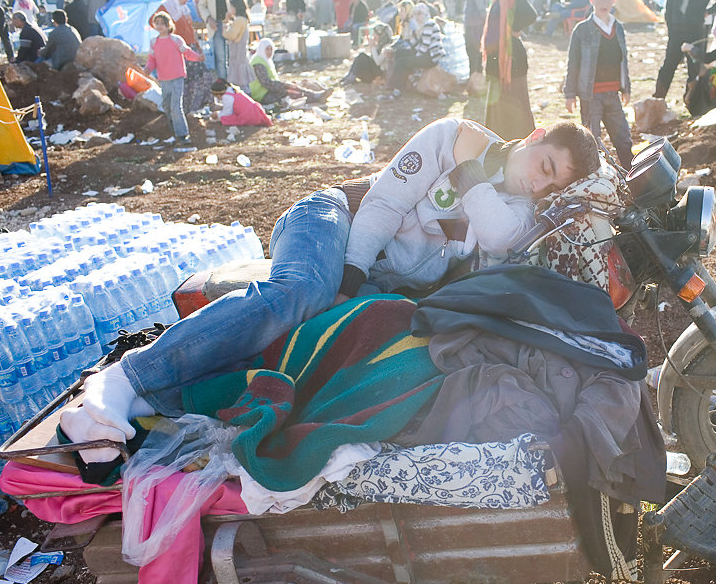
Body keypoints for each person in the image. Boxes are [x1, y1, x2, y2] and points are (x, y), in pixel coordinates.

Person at [58, 119, 601, 467]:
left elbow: (501, 240)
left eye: (554, 184)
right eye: (545, 165)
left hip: (378, 277)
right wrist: (349, 284)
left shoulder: (511, 206)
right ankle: (122, 378)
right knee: (305, 294)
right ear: (531, 139)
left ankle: (147, 405)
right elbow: (383, 208)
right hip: (338, 224)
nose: (540, 183)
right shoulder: (454, 135)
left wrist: (474, 179)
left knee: (317, 350)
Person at [564, 0, 632, 168]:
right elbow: (573, 64)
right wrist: (569, 94)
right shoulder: (582, 29)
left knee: (623, 139)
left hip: (613, 93)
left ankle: (632, 178)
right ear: (591, 0)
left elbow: (623, 60)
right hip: (590, 95)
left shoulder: (618, 28)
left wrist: (626, 88)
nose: (604, 2)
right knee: (592, 141)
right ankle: (596, 178)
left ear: (614, 1)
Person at [483, 0, 537, 140]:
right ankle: (498, 138)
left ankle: (519, 139)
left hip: (514, 59)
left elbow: (531, 15)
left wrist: (513, 28)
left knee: (516, 100)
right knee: (497, 100)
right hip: (495, 58)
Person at [145, 11, 204, 145]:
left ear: (168, 25)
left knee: (176, 106)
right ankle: (173, 125)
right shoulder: (154, 42)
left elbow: (187, 52)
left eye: (162, 23)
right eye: (157, 23)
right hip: (164, 78)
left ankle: (183, 134)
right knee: (166, 105)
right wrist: (148, 68)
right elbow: (152, 60)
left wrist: (197, 57)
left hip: (177, 77)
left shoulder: (176, 40)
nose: (159, 26)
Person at [652, 0, 716, 99]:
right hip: (676, 29)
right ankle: (658, 98)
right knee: (669, 64)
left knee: (694, 67)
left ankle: (691, 100)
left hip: (695, 30)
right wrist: (671, 27)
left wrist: (708, 12)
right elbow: (669, 6)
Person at [157, 0, 213, 113]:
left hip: (191, 48)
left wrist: (198, 47)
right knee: (187, 81)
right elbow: (153, 21)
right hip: (179, 50)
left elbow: (190, 30)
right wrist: (168, 37)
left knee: (203, 76)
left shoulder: (183, 9)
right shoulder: (166, 7)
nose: (186, 0)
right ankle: (187, 108)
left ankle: (201, 105)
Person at [384, 2, 443, 96]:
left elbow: (424, 47)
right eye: (415, 13)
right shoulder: (421, 25)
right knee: (400, 53)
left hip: (430, 57)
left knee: (402, 62)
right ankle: (402, 83)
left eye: (419, 13)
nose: (416, 16)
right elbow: (413, 42)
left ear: (425, 13)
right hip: (424, 54)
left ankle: (396, 89)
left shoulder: (429, 24)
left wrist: (414, 59)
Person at [249, 37, 330, 102]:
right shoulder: (258, 62)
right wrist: (284, 85)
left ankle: (315, 94)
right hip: (262, 95)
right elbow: (266, 83)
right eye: (267, 49)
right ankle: (315, 96)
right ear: (261, 49)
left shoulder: (265, 60)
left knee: (295, 85)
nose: (269, 52)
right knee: (290, 92)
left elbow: (272, 80)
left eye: (271, 49)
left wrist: (285, 84)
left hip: (267, 91)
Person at [197, 0, 247, 82]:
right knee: (221, 59)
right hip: (216, 24)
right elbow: (201, 5)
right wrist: (208, 18)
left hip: (235, 22)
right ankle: (224, 88)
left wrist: (239, 16)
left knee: (235, 57)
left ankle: (237, 86)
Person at [223, 0, 255, 88]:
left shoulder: (239, 20)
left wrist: (225, 23)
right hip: (241, 54)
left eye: (231, 7)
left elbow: (231, 35)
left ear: (236, 7)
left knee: (240, 81)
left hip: (237, 54)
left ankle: (245, 99)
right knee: (243, 80)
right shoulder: (243, 20)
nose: (230, 10)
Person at [463, 0, 488, 75]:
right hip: (475, 25)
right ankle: (476, 76)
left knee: (474, 52)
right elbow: (481, 8)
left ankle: (475, 76)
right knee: (475, 52)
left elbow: (480, 8)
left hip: (473, 25)